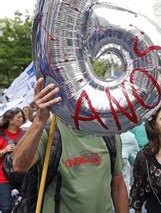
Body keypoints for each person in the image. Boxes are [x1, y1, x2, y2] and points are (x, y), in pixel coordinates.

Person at [12, 78, 128, 213]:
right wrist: (39, 120)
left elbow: (118, 186)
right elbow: (19, 165)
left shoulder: (109, 134)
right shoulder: (49, 133)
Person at [0, 107, 26, 213]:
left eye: (22, 117)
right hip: (3, 178)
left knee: (26, 206)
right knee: (7, 208)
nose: (21, 119)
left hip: (23, 175)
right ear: (10, 120)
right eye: (18, 117)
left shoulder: (26, 134)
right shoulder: (1, 135)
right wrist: (4, 150)